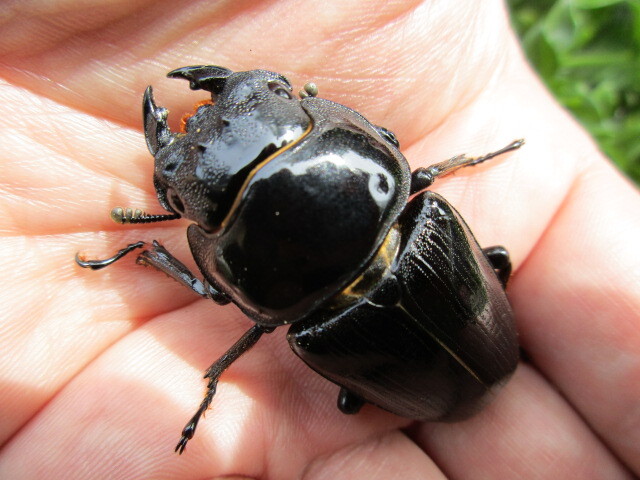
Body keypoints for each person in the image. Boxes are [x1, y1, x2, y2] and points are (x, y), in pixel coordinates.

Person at [0, 1, 637, 478]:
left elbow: (232, 303)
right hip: (426, 343)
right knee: (485, 257)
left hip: (392, 355)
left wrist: (169, 243)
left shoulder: (288, 301)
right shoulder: (418, 203)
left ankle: (156, 252)